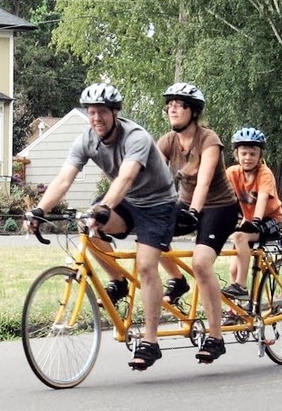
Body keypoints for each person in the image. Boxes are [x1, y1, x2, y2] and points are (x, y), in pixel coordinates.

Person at [24, 82, 177, 371]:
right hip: (127, 202)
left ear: (115, 113)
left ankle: (151, 342)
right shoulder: (85, 140)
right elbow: (64, 179)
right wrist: (40, 210)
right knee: (87, 226)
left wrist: (103, 208)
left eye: (102, 113)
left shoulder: (136, 137)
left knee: (145, 266)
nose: (96, 119)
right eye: (91, 113)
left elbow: (126, 178)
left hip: (158, 204)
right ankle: (118, 281)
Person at [157, 82, 238, 363]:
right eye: (170, 105)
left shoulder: (209, 139)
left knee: (201, 263)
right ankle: (178, 282)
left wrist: (192, 210)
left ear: (193, 112)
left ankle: (215, 336)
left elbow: (204, 180)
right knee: (152, 238)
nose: (173, 109)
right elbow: (150, 171)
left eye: (179, 104)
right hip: (187, 204)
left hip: (220, 207)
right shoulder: (168, 141)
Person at [222, 127, 282, 300]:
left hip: (272, 219)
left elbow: (262, 198)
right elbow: (224, 198)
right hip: (250, 222)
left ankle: (241, 287)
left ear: (260, 156)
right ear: (236, 155)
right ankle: (235, 313)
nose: (248, 158)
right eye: (244, 153)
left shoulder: (264, 173)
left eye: (252, 153)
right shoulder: (232, 173)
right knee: (233, 269)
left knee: (240, 237)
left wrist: (255, 220)